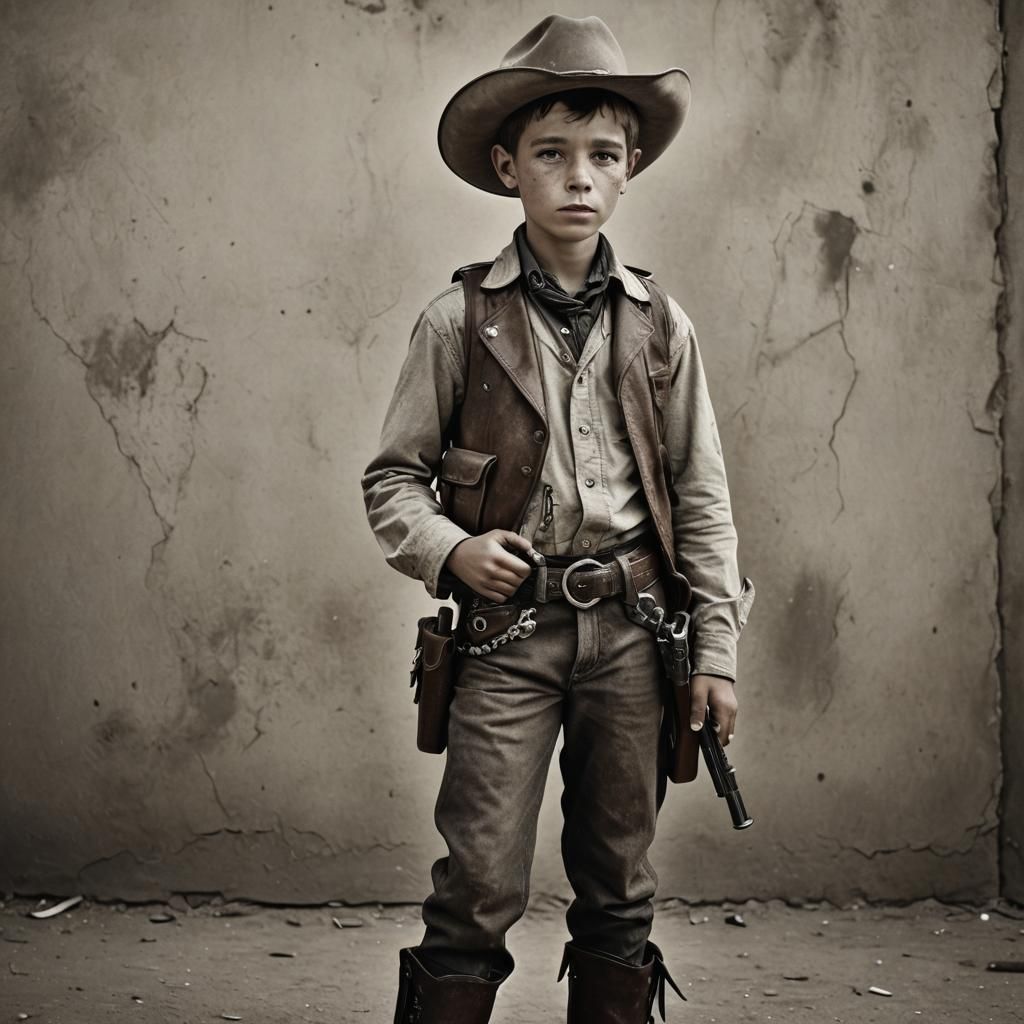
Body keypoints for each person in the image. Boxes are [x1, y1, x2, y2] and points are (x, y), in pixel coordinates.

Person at [362, 14, 755, 1023]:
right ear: (507, 168)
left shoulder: (662, 327)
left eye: (602, 156)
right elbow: (392, 482)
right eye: (550, 154)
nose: (577, 176)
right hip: (505, 638)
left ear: (628, 172)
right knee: (478, 884)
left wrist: (713, 649)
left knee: (620, 887)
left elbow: (700, 496)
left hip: (633, 635)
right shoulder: (458, 321)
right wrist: (451, 551)